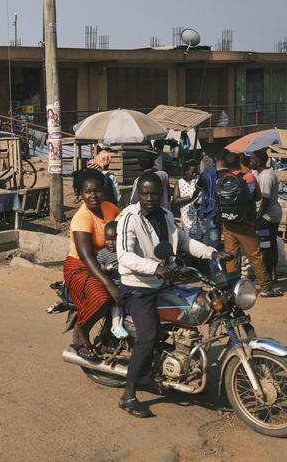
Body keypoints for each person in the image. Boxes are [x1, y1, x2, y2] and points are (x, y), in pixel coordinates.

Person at [117, 173, 218, 418]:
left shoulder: (165, 216)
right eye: (145, 193)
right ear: (138, 193)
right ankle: (128, 394)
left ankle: (179, 368)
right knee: (148, 337)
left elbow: (183, 241)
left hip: (164, 281)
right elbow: (124, 256)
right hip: (139, 287)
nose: (149, 198)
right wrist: (155, 268)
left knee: (197, 311)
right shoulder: (129, 218)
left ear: (160, 194)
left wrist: (212, 253)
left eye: (154, 193)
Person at [63, 169, 121, 359]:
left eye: (97, 190)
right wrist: (108, 284)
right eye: (88, 191)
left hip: (108, 262)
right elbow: (86, 256)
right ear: (81, 194)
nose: (93, 195)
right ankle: (81, 332)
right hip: (81, 266)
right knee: (103, 298)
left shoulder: (110, 209)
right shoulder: (82, 218)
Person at [219, 152, 272, 294]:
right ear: (240, 162)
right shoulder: (248, 177)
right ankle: (266, 287)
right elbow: (257, 196)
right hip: (245, 224)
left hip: (228, 223)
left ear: (225, 165)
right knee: (255, 255)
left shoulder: (223, 179)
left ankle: (233, 287)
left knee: (231, 256)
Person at [251, 149, 283, 297]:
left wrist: (257, 218)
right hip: (271, 215)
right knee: (271, 244)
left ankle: (267, 277)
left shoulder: (265, 178)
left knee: (265, 246)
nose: (250, 162)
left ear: (258, 161)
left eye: (252, 160)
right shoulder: (266, 174)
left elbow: (265, 201)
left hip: (267, 217)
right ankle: (272, 275)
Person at [96, 222, 128, 339]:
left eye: (114, 239)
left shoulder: (124, 251)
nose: (110, 243)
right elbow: (97, 266)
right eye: (107, 239)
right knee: (117, 304)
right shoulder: (103, 254)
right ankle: (116, 326)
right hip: (113, 285)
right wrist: (104, 268)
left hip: (125, 284)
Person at [173, 160, 204, 240]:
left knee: (200, 241)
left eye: (196, 172)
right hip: (186, 217)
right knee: (188, 241)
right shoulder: (179, 183)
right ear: (186, 172)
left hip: (199, 217)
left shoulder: (199, 181)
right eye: (192, 172)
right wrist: (191, 197)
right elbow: (175, 200)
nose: (195, 174)